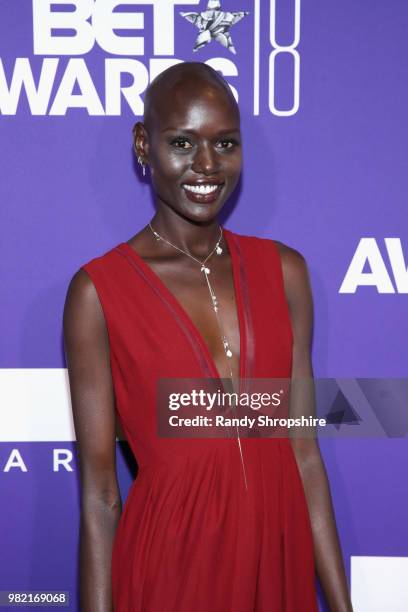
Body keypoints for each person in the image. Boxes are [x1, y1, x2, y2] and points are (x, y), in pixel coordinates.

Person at [63, 62, 353, 612]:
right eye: (181, 142)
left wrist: (340, 604)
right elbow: (101, 497)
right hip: (172, 567)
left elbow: (304, 453)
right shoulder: (97, 292)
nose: (206, 165)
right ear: (143, 145)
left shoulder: (286, 272)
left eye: (225, 143)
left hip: (277, 564)